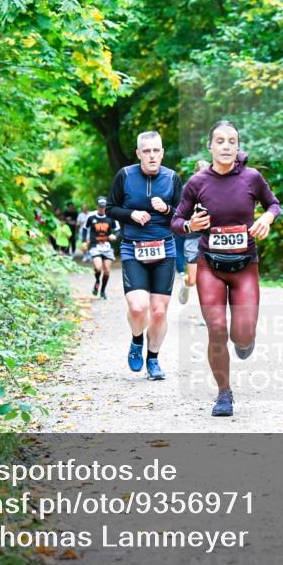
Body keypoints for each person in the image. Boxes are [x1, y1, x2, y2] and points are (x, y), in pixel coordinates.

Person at [171, 121, 280, 416]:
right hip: (211, 266)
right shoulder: (197, 183)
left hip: (245, 265)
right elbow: (176, 221)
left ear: (238, 146)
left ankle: (245, 341)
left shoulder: (252, 177)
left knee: (241, 336)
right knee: (217, 329)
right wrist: (190, 225)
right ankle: (224, 394)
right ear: (210, 146)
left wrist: (266, 220)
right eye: (220, 141)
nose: (226, 146)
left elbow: (274, 205)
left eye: (232, 141)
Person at [106, 131, 183, 381]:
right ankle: (137, 340)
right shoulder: (125, 176)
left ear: (162, 152)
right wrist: (132, 215)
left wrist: (168, 208)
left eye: (156, 150)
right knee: (138, 307)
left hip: (164, 248)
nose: (152, 155)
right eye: (146, 151)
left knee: (159, 311)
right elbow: (111, 208)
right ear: (138, 153)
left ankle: (153, 359)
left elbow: (183, 216)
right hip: (133, 246)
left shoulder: (172, 178)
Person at [175, 159, 212, 305]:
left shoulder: (216, 187)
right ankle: (186, 284)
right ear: (195, 174)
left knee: (210, 279)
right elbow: (179, 214)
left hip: (212, 237)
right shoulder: (186, 190)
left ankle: (208, 314)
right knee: (193, 279)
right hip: (193, 237)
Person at [82, 197, 120, 299]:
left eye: (104, 207)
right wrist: (84, 242)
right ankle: (97, 281)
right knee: (98, 268)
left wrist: (115, 236)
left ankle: (103, 291)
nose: (102, 209)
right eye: (100, 207)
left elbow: (118, 230)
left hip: (107, 246)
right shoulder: (91, 216)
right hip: (95, 245)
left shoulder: (111, 217)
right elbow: (85, 229)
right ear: (97, 206)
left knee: (107, 271)